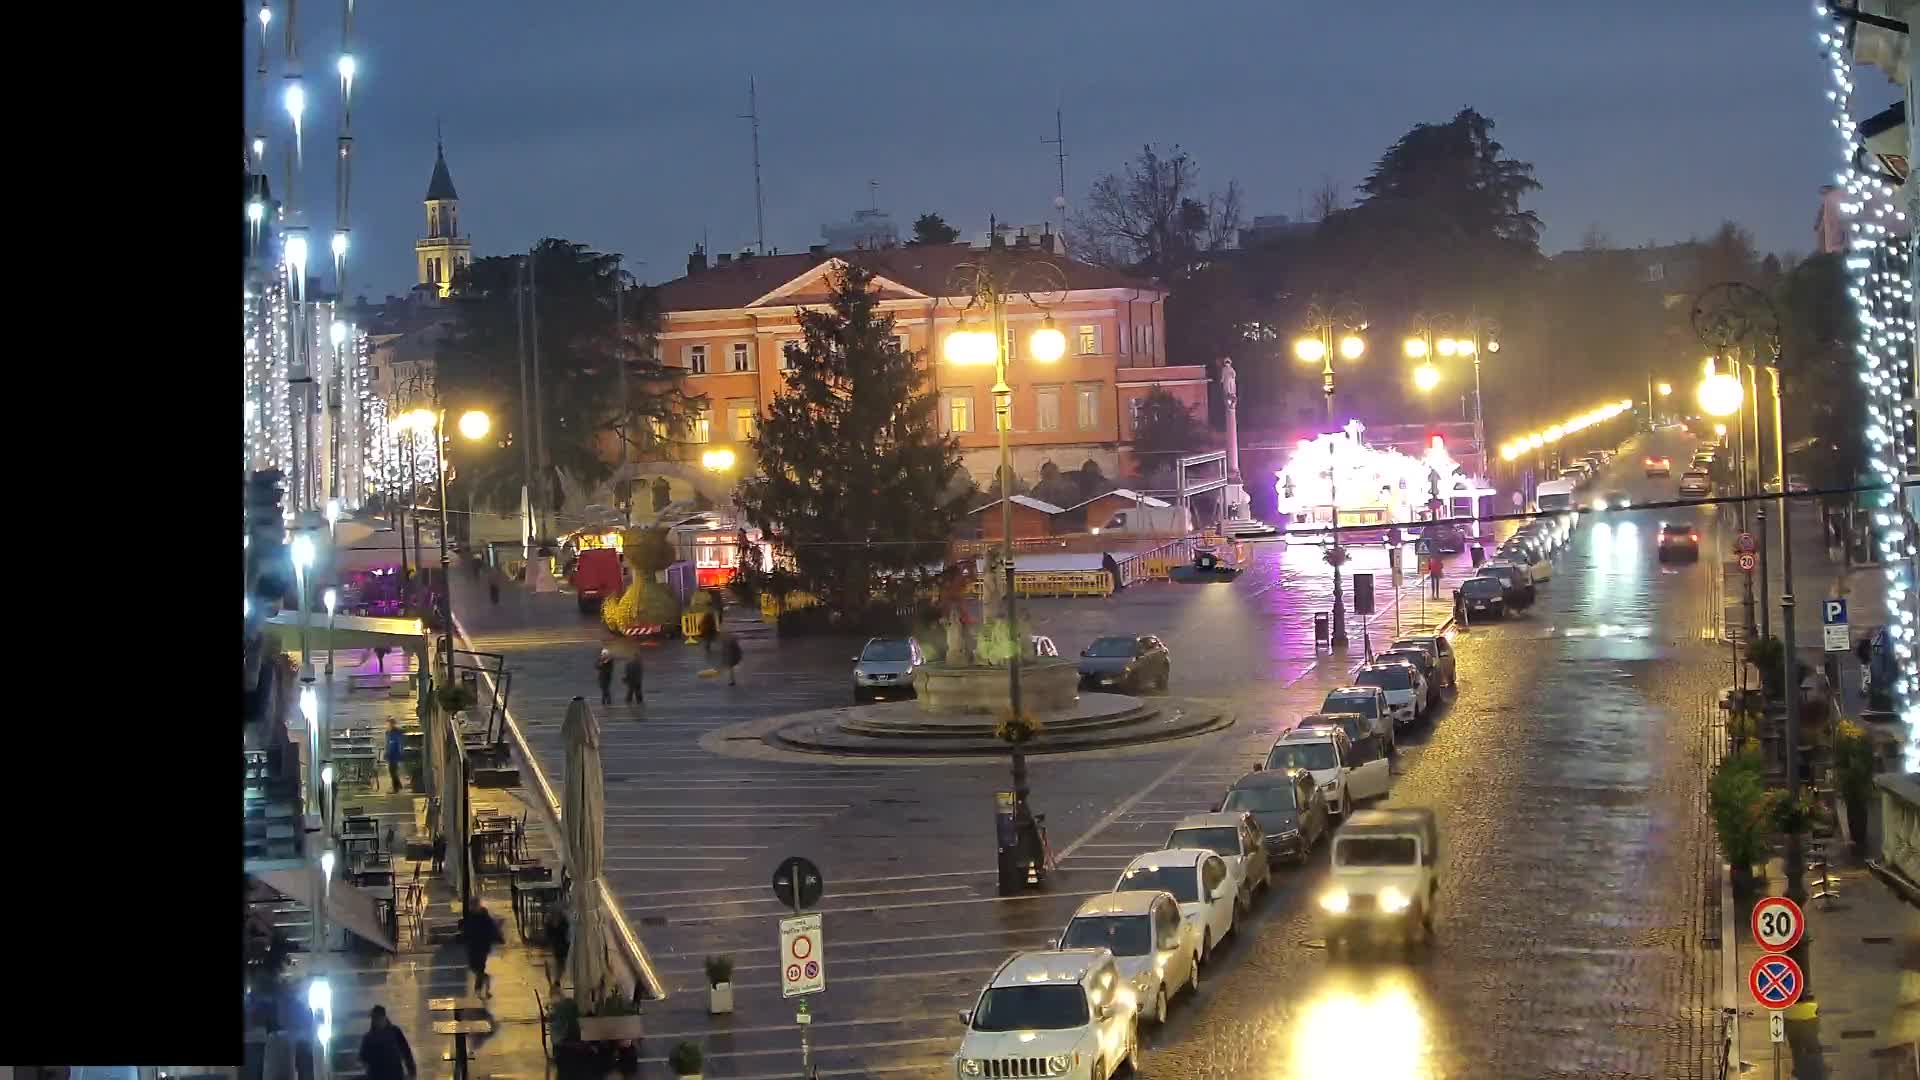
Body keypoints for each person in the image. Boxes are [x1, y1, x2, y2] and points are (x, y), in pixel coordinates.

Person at [359, 1005, 419, 1080]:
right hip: (377, 1076)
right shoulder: (368, 1037)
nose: (375, 1021)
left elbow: (406, 1052)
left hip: (395, 1075)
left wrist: (412, 1072)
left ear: (383, 1017)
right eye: (374, 1018)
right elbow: (363, 1058)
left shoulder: (395, 1031)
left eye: (377, 1018)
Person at [462, 903, 504, 998]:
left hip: (480, 948)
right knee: (476, 969)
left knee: (479, 969)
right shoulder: (472, 917)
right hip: (475, 947)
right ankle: (485, 983)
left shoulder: (483, 918)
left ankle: (481, 990)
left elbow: (491, 929)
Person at [545, 903, 571, 989]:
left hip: (562, 944)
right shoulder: (551, 923)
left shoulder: (563, 922)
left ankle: (556, 980)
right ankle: (556, 980)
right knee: (559, 962)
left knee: (560, 962)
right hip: (558, 944)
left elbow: (567, 934)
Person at [385, 718, 406, 794]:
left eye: (389, 724)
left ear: (393, 724)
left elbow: (400, 743)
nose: (388, 725)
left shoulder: (397, 732)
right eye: (387, 724)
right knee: (392, 771)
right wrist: (386, 753)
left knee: (393, 771)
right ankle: (398, 785)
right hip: (390, 754)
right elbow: (387, 744)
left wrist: (401, 753)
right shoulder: (387, 733)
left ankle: (396, 788)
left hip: (395, 754)